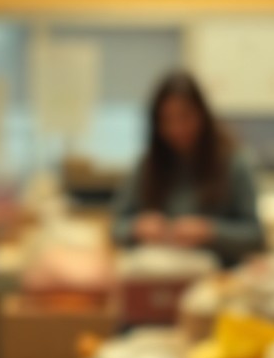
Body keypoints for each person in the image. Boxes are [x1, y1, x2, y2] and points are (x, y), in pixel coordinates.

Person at [111, 71, 265, 267]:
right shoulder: (148, 164)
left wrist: (210, 231)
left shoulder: (234, 162)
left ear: (202, 115)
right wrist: (137, 227)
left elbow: (256, 237)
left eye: (185, 117)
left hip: (217, 281)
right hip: (159, 274)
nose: (177, 129)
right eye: (167, 120)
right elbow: (116, 227)